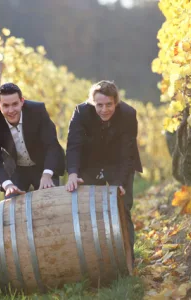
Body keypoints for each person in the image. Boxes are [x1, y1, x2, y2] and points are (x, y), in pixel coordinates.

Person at [65, 80, 142, 263]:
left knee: (123, 207)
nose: (104, 110)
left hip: (119, 163)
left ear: (116, 102)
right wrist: (73, 173)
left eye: (109, 105)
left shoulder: (128, 114)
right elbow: (74, 145)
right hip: (90, 163)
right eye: (99, 105)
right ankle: (94, 259)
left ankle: (128, 257)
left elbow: (127, 153)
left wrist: (119, 183)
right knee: (87, 209)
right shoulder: (81, 112)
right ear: (93, 102)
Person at [0, 83, 65, 198]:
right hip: (17, 169)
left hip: (43, 165)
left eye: (15, 104)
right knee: (11, 201)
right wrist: (7, 185)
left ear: (22, 101)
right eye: (5, 106)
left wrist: (47, 174)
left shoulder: (38, 111)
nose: (11, 110)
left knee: (50, 199)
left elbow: (52, 145)